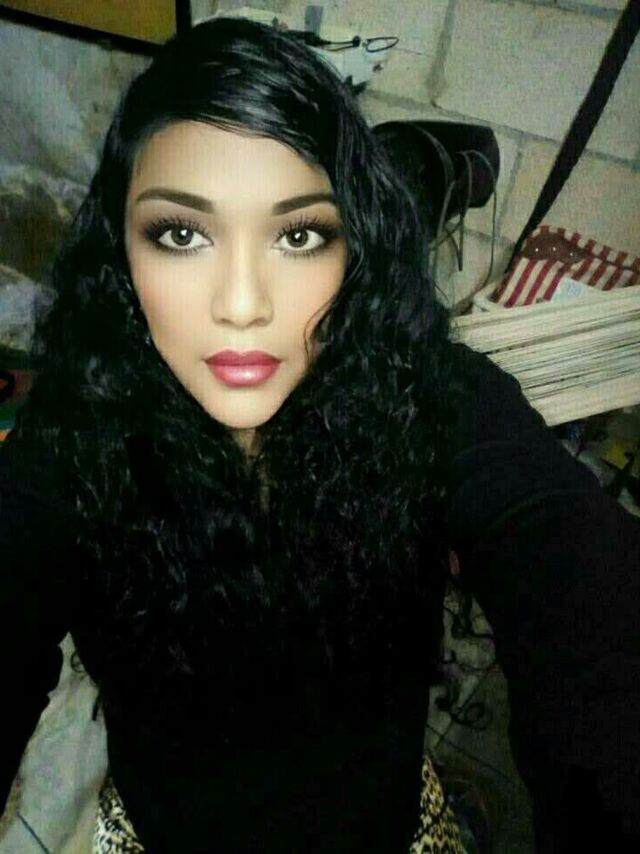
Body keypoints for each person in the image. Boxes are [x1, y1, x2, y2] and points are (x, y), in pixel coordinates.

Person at [0, 16, 638, 853]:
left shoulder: (428, 394)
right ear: (121, 251)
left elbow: (585, 602)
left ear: (352, 249)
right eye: (182, 234)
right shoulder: (73, 431)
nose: (242, 304)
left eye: (298, 235)